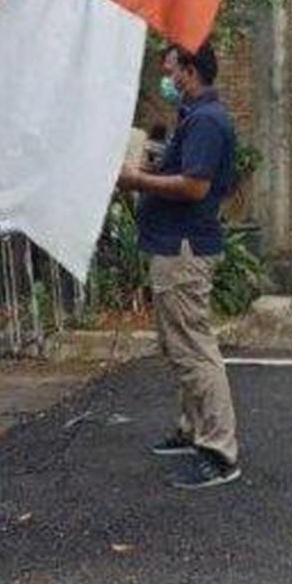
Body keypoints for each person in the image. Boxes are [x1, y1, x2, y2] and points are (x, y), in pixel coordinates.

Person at [118, 41, 240, 489]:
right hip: (176, 244)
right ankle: (193, 431)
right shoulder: (195, 117)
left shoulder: (206, 120)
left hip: (184, 248)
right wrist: (151, 161)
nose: (167, 78)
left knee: (194, 349)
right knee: (179, 346)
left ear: (190, 71)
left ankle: (219, 451)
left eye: (171, 69)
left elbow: (194, 186)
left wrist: (136, 179)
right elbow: (187, 171)